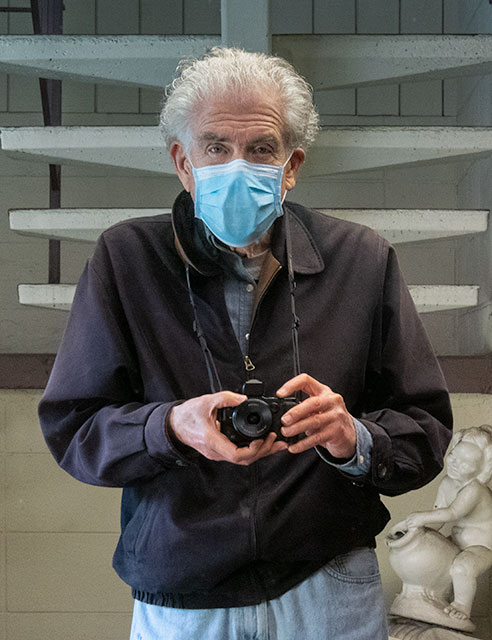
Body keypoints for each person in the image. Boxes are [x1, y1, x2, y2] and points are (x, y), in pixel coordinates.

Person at [38, 47, 453, 640]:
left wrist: (354, 440)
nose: (237, 165)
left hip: (328, 581)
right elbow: (75, 428)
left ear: (291, 165)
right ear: (183, 162)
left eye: (261, 148)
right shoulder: (126, 260)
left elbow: (426, 427)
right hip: (184, 591)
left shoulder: (361, 259)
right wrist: (171, 426)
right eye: (215, 147)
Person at [406, 425, 492, 625]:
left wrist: (420, 518)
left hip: (482, 547)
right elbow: (438, 519)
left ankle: (461, 606)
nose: (455, 464)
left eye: (465, 463)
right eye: (454, 456)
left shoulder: (475, 489)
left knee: (462, 567)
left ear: (482, 468)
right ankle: (435, 598)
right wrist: (415, 533)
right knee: (432, 554)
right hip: (456, 542)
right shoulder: (447, 483)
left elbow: (452, 512)